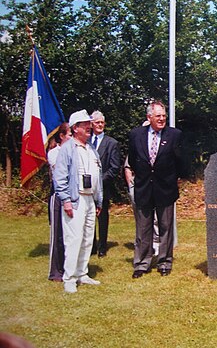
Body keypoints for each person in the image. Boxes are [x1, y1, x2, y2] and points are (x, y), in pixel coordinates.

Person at [128, 100, 185, 278]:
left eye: (163, 116)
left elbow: (181, 162)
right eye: (158, 116)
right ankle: (142, 263)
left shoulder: (175, 135)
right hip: (144, 188)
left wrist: (175, 179)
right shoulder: (135, 134)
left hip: (165, 188)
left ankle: (165, 262)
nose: (161, 119)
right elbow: (133, 158)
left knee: (165, 227)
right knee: (143, 228)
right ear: (149, 117)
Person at [53, 109, 103, 293]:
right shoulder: (68, 149)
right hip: (76, 199)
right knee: (73, 238)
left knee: (88, 237)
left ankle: (82, 273)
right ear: (75, 128)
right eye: (85, 125)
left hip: (90, 199)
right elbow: (60, 178)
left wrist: (98, 201)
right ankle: (69, 277)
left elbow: (98, 175)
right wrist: (66, 200)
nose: (89, 128)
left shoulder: (91, 149)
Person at [90, 110, 121, 258]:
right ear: (91, 124)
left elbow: (115, 167)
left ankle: (102, 246)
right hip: (87, 187)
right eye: (97, 122)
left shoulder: (112, 143)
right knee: (88, 217)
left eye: (102, 122)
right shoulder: (86, 142)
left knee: (102, 218)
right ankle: (91, 246)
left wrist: (99, 180)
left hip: (103, 187)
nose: (100, 125)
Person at [47, 122, 72, 281]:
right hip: (58, 196)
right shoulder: (54, 153)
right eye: (69, 134)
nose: (71, 137)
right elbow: (61, 175)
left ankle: (70, 267)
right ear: (62, 136)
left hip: (73, 196)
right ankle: (55, 271)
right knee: (58, 234)